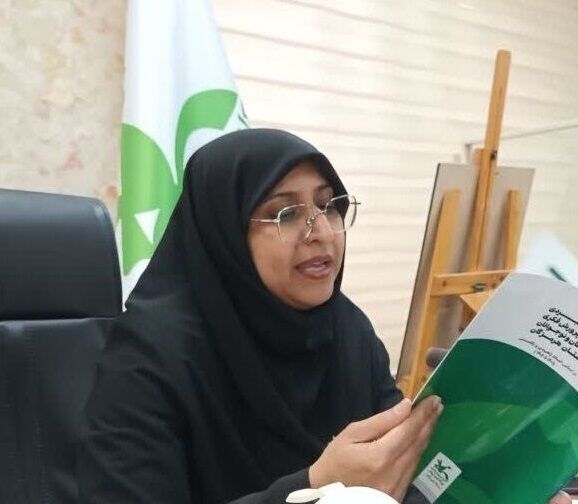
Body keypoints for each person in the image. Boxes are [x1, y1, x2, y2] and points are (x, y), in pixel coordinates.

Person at [77, 129, 571, 504]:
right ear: (225, 235)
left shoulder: (347, 332)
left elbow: (401, 479)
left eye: (329, 205)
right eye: (285, 213)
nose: (322, 232)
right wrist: (315, 487)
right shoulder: (148, 360)